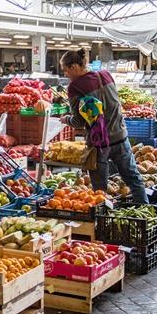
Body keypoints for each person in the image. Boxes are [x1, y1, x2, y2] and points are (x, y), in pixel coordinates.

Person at [59, 49, 148, 203]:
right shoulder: (106, 75)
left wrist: (65, 119)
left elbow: (79, 122)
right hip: (120, 136)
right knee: (134, 179)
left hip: (99, 144)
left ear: (74, 66)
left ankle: (103, 222)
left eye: (66, 71)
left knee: (100, 190)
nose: (66, 75)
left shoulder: (75, 87)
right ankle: (146, 213)